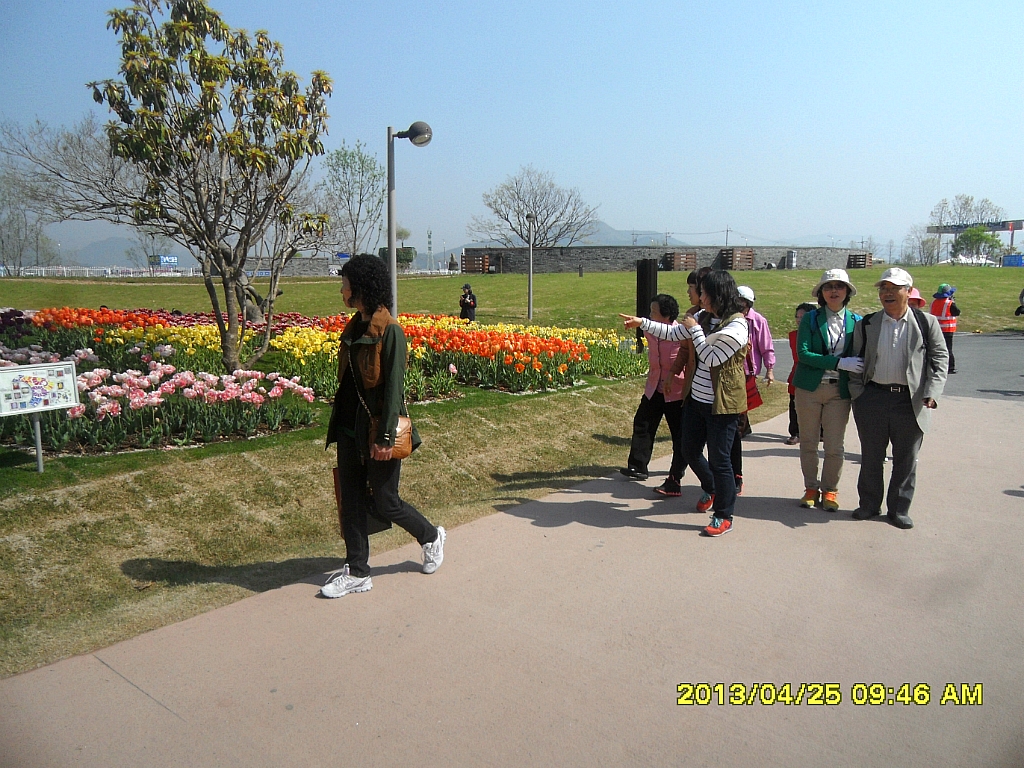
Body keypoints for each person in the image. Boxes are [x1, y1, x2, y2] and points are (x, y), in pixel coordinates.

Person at [322, 254, 446, 598]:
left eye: (345, 284)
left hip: (378, 431)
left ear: (361, 287)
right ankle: (358, 572)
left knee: (386, 502)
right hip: (349, 430)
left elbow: (393, 392)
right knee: (351, 501)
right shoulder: (354, 328)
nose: (342, 290)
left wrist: (386, 437)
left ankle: (431, 537)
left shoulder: (390, 331)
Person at [620, 270, 749, 537]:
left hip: (722, 405)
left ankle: (724, 515)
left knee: (720, 461)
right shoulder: (703, 317)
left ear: (717, 295)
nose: (699, 297)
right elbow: (673, 332)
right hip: (695, 399)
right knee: (689, 450)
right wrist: (643, 323)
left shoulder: (737, 326)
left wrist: (695, 330)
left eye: (703, 292)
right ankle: (712, 487)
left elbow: (711, 358)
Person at [848, 267, 948, 530]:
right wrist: (858, 394)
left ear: (908, 292)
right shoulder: (867, 324)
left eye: (894, 288)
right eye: (884, 288)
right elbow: (856, 359)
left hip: (911, 401)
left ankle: (899, 510)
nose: (887, 293)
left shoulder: (927, 323)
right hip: (873, 398)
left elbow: (940, 359)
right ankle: (869, 505)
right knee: (871, 456)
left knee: (906, 460)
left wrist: (932, 392)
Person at [792, 269, 862, 512]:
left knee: (834, 446)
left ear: (847, 292)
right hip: (809, 389)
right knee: (808, 442)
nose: (834, 291)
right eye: (828, 286)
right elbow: (803, 354)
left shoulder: (857, 321)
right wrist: (838, 363)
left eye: (839, 286)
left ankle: (830, 489)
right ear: (821, 292)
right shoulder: (811, 319)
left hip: (838, 391)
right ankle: (811, 488)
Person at [620, 294, 688, 495]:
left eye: (654, 312)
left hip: (675, 391)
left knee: (679, 435)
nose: (649, 315)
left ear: (666, 315)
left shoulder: (680, 333)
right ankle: (638, 466)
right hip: (654, 387)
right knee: (642, 424)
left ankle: (676, 474)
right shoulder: (649, 330)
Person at [730, 285, 775, 495]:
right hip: (730, 373)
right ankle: (743, 427)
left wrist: (770, 370)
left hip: (747, 373)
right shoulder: (729, 319)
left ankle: (741, 430)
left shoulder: (758, 321)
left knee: (738, 416)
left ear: (748, 304)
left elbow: (766, 347)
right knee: (736, 416)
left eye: (742, 302)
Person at [785, 303, 817, 445]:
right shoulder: (794, 335)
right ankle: (795, 432)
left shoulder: (819, 335)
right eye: (797, 317)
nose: (799, 320)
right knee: (794, 404)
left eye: (802, 317)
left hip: (816, 373)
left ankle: (820, 431)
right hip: (798, 372)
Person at [930, 283, 960, 374]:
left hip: (936, 329)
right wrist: (953, 302)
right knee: (948, 349)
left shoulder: (934, 302)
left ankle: (936, 366)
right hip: (947, 329)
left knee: (936, 349)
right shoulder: (949, 303)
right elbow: (957, 312)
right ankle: (950, 367)